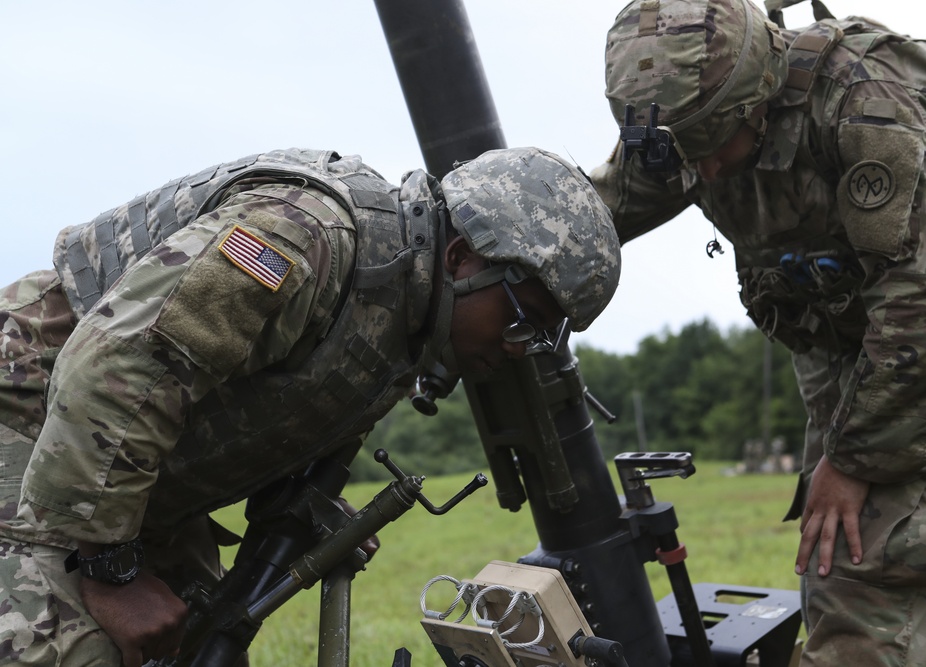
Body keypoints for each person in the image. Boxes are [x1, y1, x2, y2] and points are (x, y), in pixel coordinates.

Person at [0, 145, 621, 666]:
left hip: (126, 473)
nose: (520, 350)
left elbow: (269, 403)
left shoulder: (410, 313)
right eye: (523, 322)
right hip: (35, 416)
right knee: (71, 650)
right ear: (464, 259)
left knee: (197, 643)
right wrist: (113, 573)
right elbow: (118, 370)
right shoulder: (303, 237)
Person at [591, 0, 926, 664]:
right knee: (871, 597)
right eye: (681, 151)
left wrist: (853, 459)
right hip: (851, 361)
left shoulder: (864, 103)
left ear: (760, 95)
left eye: (714, 142)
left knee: (869, 600)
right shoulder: (688, 124)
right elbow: (602, 208)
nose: (707, 171)